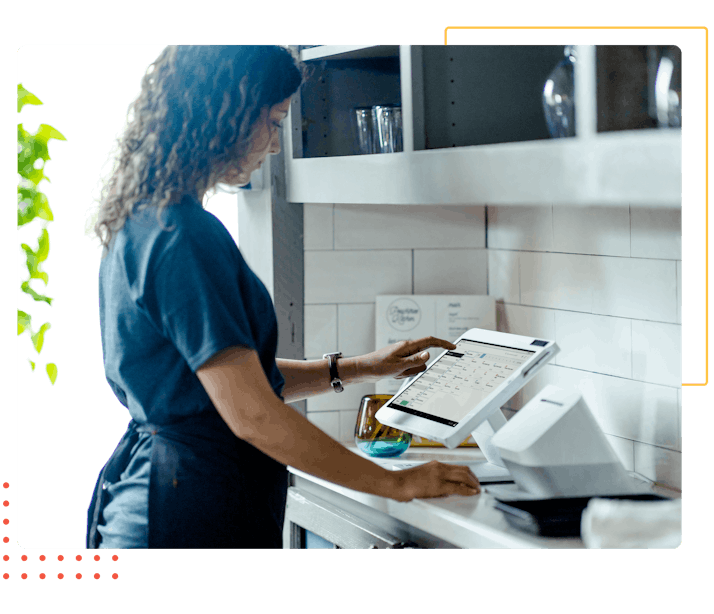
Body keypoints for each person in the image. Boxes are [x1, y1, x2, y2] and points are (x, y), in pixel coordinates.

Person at [87, 44, 480, 549]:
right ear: (224, 113)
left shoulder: (141, 220)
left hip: (158, 499)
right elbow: (251, 413)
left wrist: (356, 368)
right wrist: (398, 483)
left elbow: (226, 384)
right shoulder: (185, 238)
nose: (274, 145)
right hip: (184, 514)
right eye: (272, 122)